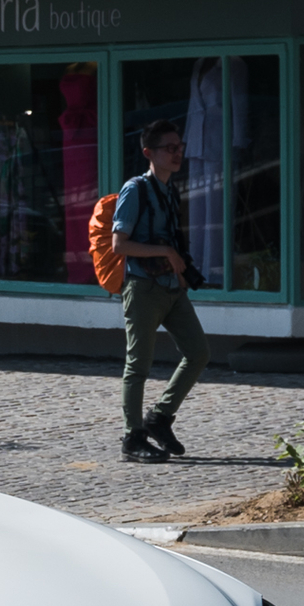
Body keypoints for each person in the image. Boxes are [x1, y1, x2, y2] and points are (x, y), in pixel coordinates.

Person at [109, 118, 209, 463]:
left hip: (171, 288)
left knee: (198, 352)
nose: (177, 153)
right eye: (170, 148)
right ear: (148, 152)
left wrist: (179, 268)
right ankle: (132, 437)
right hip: (143, 288)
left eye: (180, 147)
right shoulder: (135, 189)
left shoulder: (170, 190)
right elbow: (119, 245)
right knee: (138, 365)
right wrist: (166, 253)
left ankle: (160, 418)